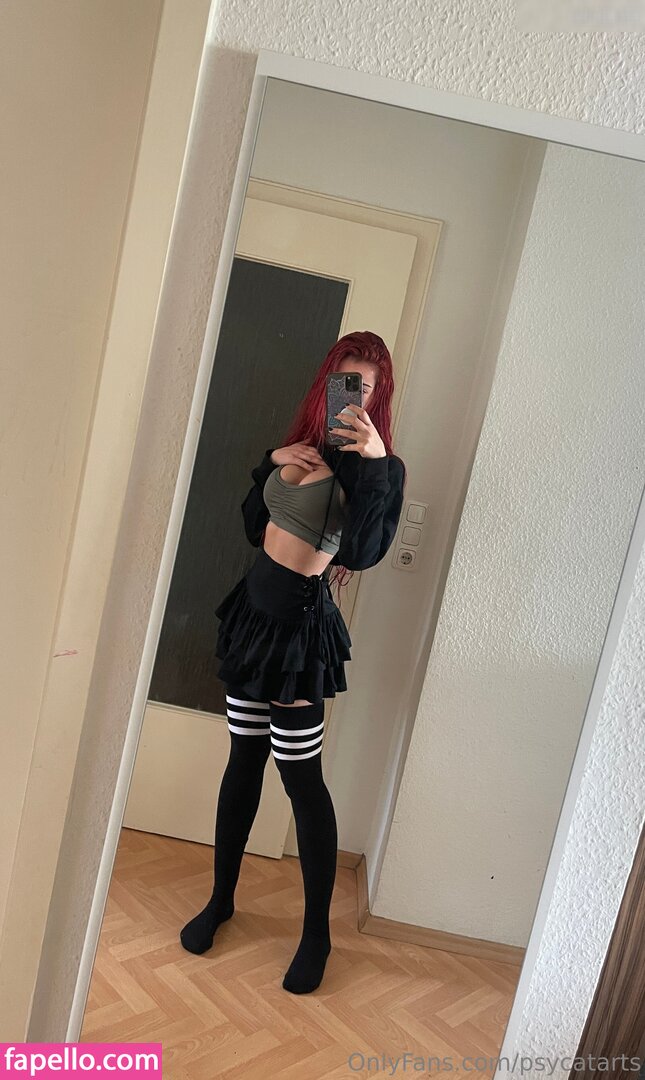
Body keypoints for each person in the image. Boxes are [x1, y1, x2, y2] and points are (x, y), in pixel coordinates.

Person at [180, 330, 406, 994]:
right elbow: (255, 527)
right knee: (242, 760)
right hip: (251, 616)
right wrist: (270, 462)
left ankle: (316, 937)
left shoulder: (380, 468)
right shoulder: (299, 446)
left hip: (299, 636)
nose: (351, 395)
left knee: (302, 781)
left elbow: (360, 554)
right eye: (343, 380)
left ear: (379, 395)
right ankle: (221, 900)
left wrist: (375, 463)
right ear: (326, 381)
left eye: (364, 386)